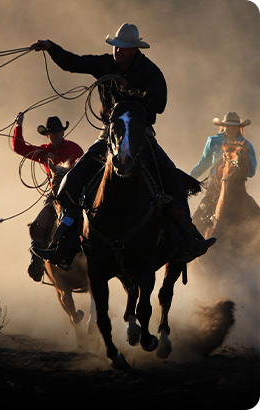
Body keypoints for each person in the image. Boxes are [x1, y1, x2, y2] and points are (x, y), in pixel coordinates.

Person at [30, 23, 216, 269]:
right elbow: (73, 62)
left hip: (142, 137)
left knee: (173, 179)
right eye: (116, 47)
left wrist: (133, 91)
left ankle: (187, 238)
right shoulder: (105, 64)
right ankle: (65, 243)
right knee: (72, 180)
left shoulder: (150, 72)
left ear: (135, 50)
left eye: (124, 48)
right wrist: (51, 48)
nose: (118, 51)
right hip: (108, 135)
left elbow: (159, 103)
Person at [13, 112, 84, 281]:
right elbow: (20, 148)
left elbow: (80, 166)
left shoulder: (74, 149)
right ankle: (36, 262)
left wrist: (56, 158)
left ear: (63, 133)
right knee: (38, 226)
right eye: (52, 134)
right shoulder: (44, 151)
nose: (56, 136)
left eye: (58, 133)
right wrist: (19, 125)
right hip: (54, 195)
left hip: (75, 193)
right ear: (47, 135)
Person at [190, 111, 256, 227]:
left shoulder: (246, 145)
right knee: (197, 218)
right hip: (214, 186)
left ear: (239, 127)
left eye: (234, 126)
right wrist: (189, 179)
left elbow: (251, 172)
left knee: (257, 215)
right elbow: (204, 162)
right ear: (224, 126)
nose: (231, 128)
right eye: (228, 125)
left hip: (238, 187)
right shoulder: (213, 141)